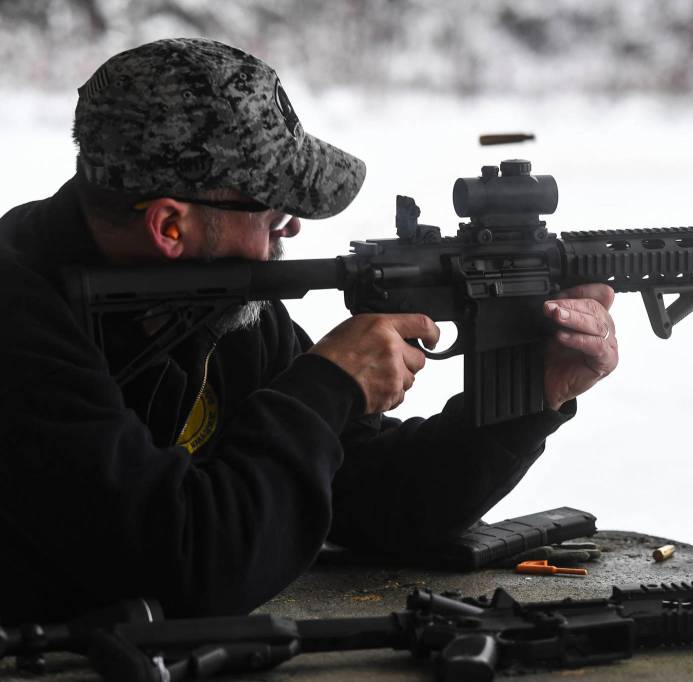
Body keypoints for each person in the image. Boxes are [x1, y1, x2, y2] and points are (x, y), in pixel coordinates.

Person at [0, 38, 618, 624]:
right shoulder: (22, 323)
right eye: (272, 209)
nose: (289, 230)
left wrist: (534, 397)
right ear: (169, 227)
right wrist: (323, 388)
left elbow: (381, 502)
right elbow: (188, 567)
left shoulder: (220, 301)